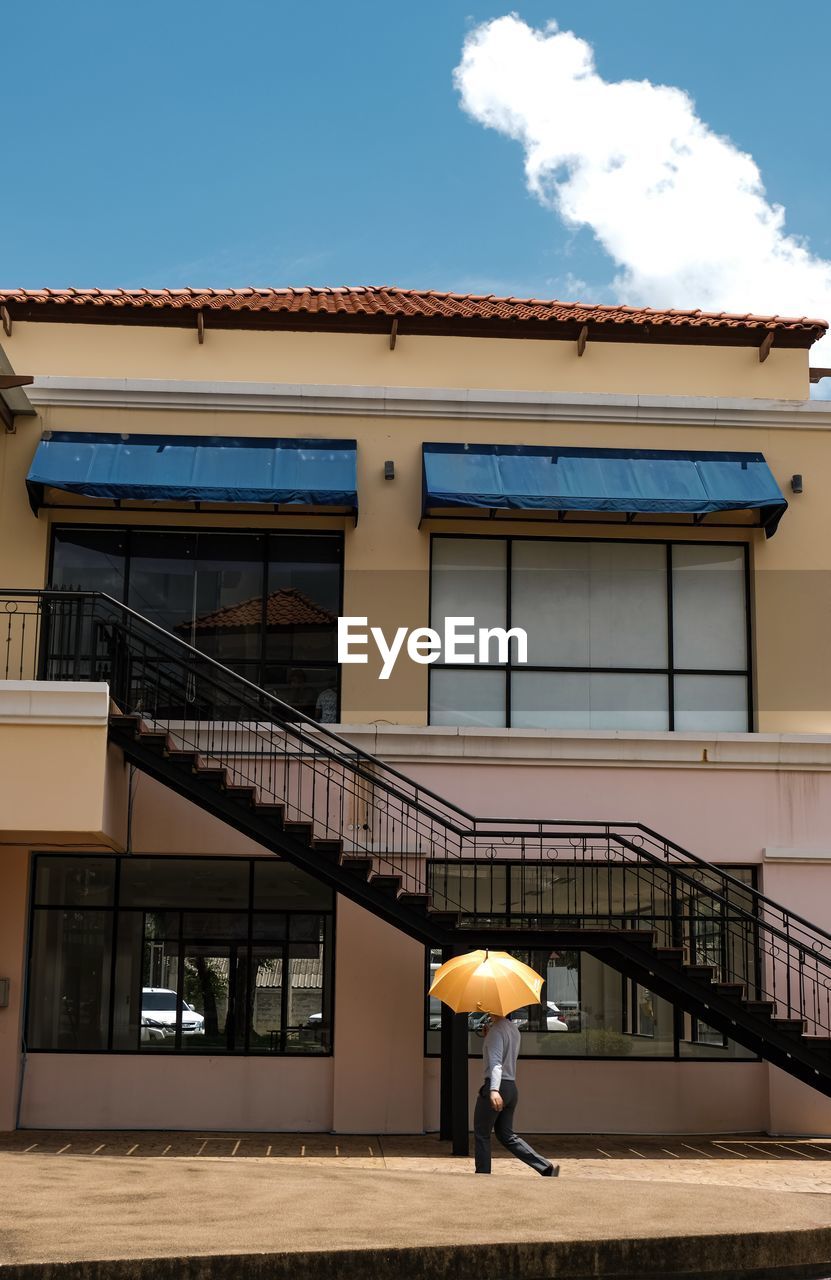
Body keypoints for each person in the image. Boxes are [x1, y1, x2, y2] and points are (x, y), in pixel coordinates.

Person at [473, 1010, 559, 1177]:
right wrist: (489, 1037)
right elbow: (505, 1054)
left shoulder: (496, 1031)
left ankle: (482, 1176)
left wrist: (493, 1090)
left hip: (497, 1086)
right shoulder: (513, 1029)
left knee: (482, 1133)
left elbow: (497, 1064)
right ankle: (545, 1167)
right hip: (511, 1087)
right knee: (506, 1134)